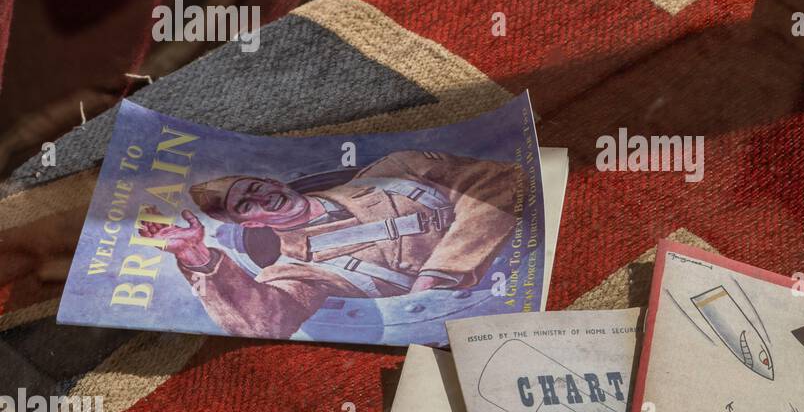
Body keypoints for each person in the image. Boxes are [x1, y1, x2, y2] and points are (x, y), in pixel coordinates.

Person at [140, 150, 521, 339]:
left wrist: (442, 271)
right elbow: (263, 324)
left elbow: (501, 181)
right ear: (251, 222)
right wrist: (196, 257)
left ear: (274, 182)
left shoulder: (397, 168)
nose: (261, 198)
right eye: (245, 205)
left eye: (257, 187)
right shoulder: (293, 270)